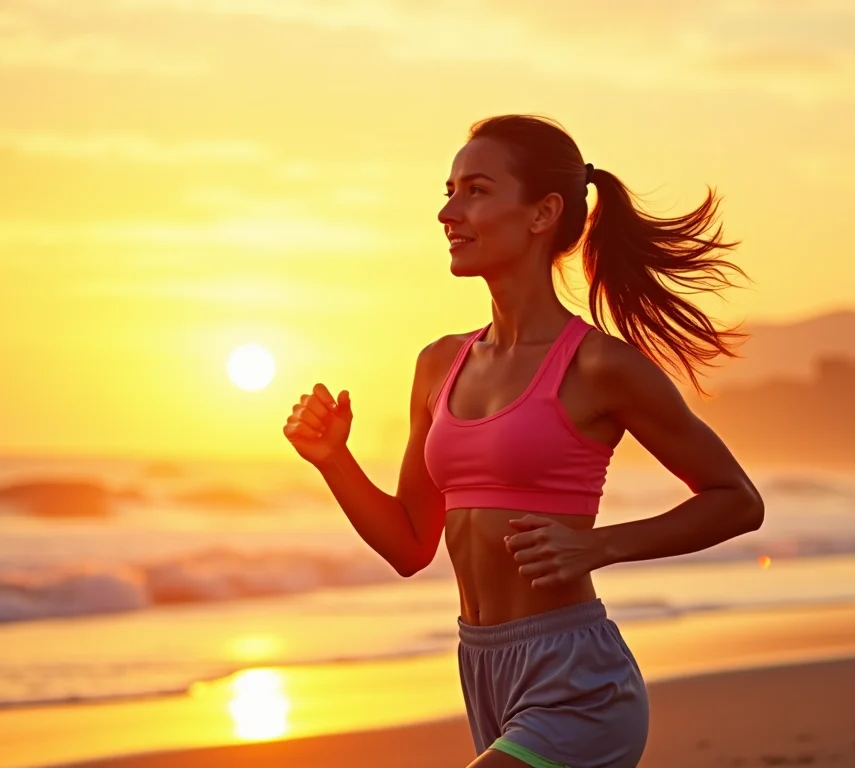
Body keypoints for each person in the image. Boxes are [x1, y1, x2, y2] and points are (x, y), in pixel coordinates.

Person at [282, 114, 765, 768]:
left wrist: (601, 545)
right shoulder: (439, 363)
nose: (448, 212)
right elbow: (407, 545)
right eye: (449, 190)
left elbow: (736, 500)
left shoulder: (598, 367)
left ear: (543, 213)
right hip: (482, 668)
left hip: (578, 682)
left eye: (475, 190)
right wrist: (334, 461)